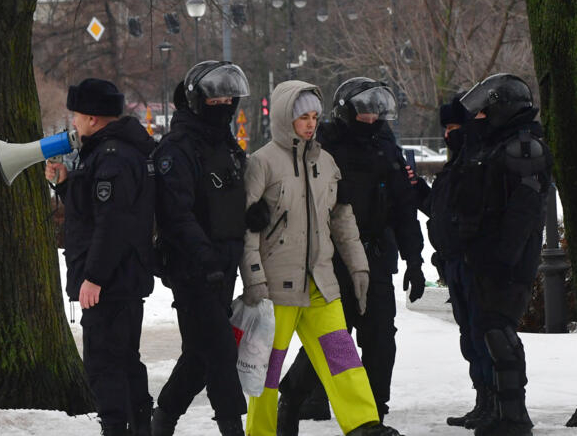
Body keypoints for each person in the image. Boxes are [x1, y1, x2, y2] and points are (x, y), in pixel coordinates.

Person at [239, 80, 403, 436]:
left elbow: (343, 220)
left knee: (341, 355)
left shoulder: (326, 163)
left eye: (315, 116)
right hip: (275, 287)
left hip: (320, 283)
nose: (310, 124)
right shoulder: (262, 163)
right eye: (303, 117)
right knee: (268, 367)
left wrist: (359, 266)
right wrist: (253, 277)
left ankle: (363, 424)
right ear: (286, 119)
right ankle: (261, 431)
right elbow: (247, 228)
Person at [276, 77, 425, 430]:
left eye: (377, 112)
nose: (372, 119)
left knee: (380, 339)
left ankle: (373, 416)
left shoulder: (387, 149)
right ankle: (294, 395)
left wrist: (415, 261)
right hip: (332, 260)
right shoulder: (323, 147)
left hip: (377, 256)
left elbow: (404, 209)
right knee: (333, 339)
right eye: (365, 112)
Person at [440, 73, 553, 436]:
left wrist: (502, 260)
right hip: (485, 257)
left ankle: (514, 416)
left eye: (486, 113)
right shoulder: (496, 145)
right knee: (486, 331)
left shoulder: (523, 148)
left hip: (506, 261)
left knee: (498, 333)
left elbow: (523, 214)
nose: (480, 120)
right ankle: (500, 411)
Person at [45, 77, 158, 436]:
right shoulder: (114, 152)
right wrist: (66, 184)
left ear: (93, 118)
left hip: (109, 283)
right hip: (121, 278)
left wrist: (93, 277)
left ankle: (117, 429)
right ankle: (140, 425)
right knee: (124, 361)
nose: (73, 123)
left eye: (76, 115)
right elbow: (96, 214)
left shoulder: (112, 157)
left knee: (103, 365)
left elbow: (113, 225)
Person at [150, 61, 251, 436]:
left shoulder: (225, 144)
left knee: (199, 354)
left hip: (223, 266)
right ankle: (232, 429)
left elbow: (227, 198)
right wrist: (204, 257)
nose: (224, 103)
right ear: (197, 100)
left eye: (229, 96)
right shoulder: (177, 148)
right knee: (222, 353)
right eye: (216, 97)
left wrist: (250, 216)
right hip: (192, 269)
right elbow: (176, 213)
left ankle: (161, 423)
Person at [418, 93, 495, 430]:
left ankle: (493, 401)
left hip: (473, 263)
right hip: (455, 262)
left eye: (454, 126)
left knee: (482, 334)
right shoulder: (458, 163)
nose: (449, 133)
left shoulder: (478, 161)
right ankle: (484, 399)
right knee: (470, 335)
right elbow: (442, 209)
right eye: (446, 128)